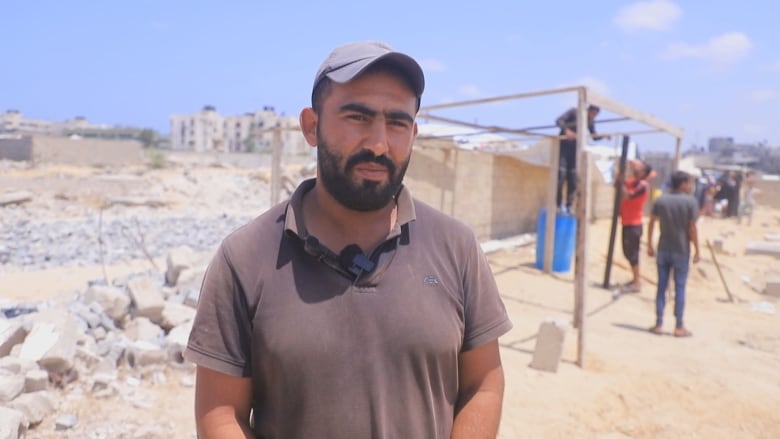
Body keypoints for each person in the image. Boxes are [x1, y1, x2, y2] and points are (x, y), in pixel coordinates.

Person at [184, 40, 513, 439]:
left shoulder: (456, 247)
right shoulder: (245, 258)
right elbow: (222, 413)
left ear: (413, 133)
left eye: (397, 123)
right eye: (358, 117)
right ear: (311, 125)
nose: (378, 144)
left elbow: (483, 384)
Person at [647, 171, 700, 338]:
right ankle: (679, 326)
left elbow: (651, 222)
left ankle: (659, 323)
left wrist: (649, 244)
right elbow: (692, 228)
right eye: (689, 182)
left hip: (663, 248)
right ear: (683, 184)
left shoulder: (661, 200)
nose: (690, 186)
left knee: (661, 287)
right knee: (680, 287)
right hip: (682, 250)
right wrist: (697, 250)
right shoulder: (690, 202)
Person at [554, 104, 610, 213]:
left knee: (573, 178)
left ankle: (569, 206)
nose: (593, 117)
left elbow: (594, 137)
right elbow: (558, 121)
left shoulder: (590, 121)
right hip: (565, 146)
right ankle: (558, 204)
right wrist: (566, 131)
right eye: (593, 114)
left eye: (595, 115)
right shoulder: (574, 112)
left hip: (576, 148)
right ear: (589, 110)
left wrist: (603, 136)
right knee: (561, 176)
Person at [617, 159, 655, 293]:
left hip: (634, 223)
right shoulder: (633, 181)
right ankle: (635, 279)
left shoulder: (643, 185)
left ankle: (637, 282)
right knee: (627, 252)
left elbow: (628, 195)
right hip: (627, 221)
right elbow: (621, 187)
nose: (636, 170)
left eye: (640, 168)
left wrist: (621, 182)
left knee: (632, 253)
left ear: (644, 173)